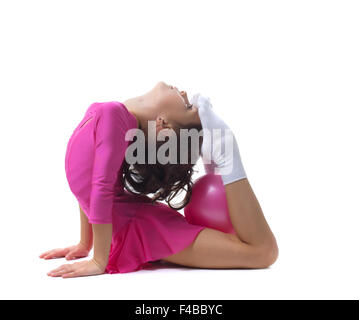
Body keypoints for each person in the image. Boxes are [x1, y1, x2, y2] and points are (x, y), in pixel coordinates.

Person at [39, 81, 278, 278]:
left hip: (140, 229)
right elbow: (90, 187)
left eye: (185, 106)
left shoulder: (113, 116)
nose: (184, 92)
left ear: (163, 125)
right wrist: (85, 243)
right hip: (131, 226)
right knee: (255, 250)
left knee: (262, 252)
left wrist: (99, 260)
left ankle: (228, 155)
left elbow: (100, 189)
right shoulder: (109, 112)